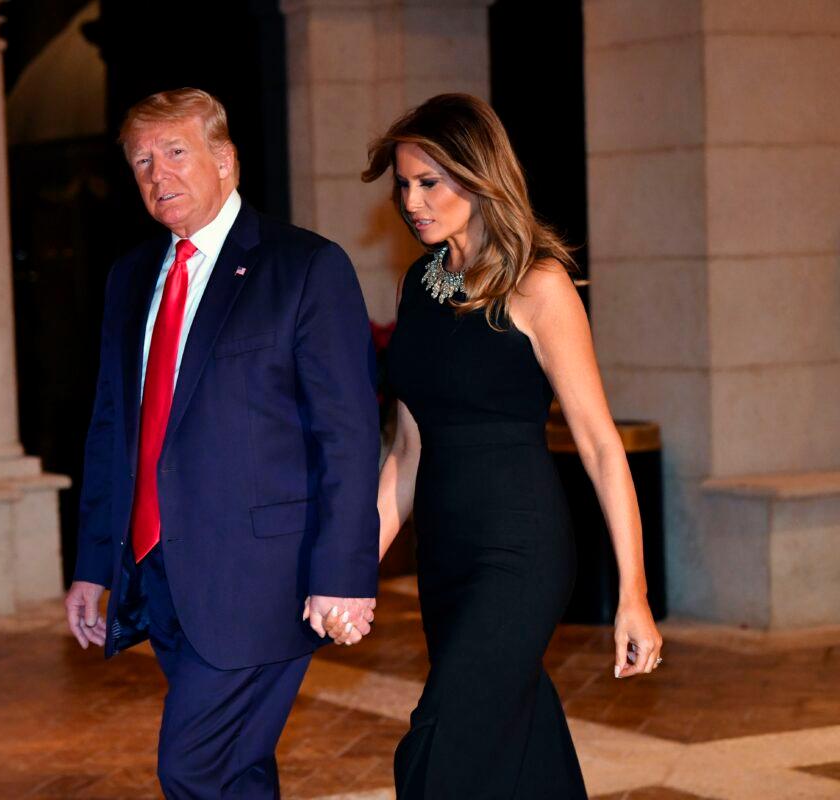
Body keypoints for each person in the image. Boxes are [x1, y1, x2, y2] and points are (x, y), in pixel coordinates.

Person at [335, 93, 663, 797]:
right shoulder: (422, 286)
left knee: (438, 749)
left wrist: (633, 593)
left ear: (479, 176)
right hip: (445, 558)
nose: (412, 201)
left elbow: (603, 447)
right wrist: (353, 566)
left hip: (520, 552)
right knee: (515, 739)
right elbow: (407, 454)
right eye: (403, 184)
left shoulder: (538, 285)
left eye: (430, 181)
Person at [63, 87, 381, 798]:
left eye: (175, 152)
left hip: (266, 582)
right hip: (160, 575)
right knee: (236, 774)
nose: (157, 174)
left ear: (225, 161)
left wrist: (346, 575)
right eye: (142, 161)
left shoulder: (303, 268)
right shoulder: (130, 277)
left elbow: (351, 434)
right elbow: (113, 430)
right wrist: (94, 565)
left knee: (192, 767)